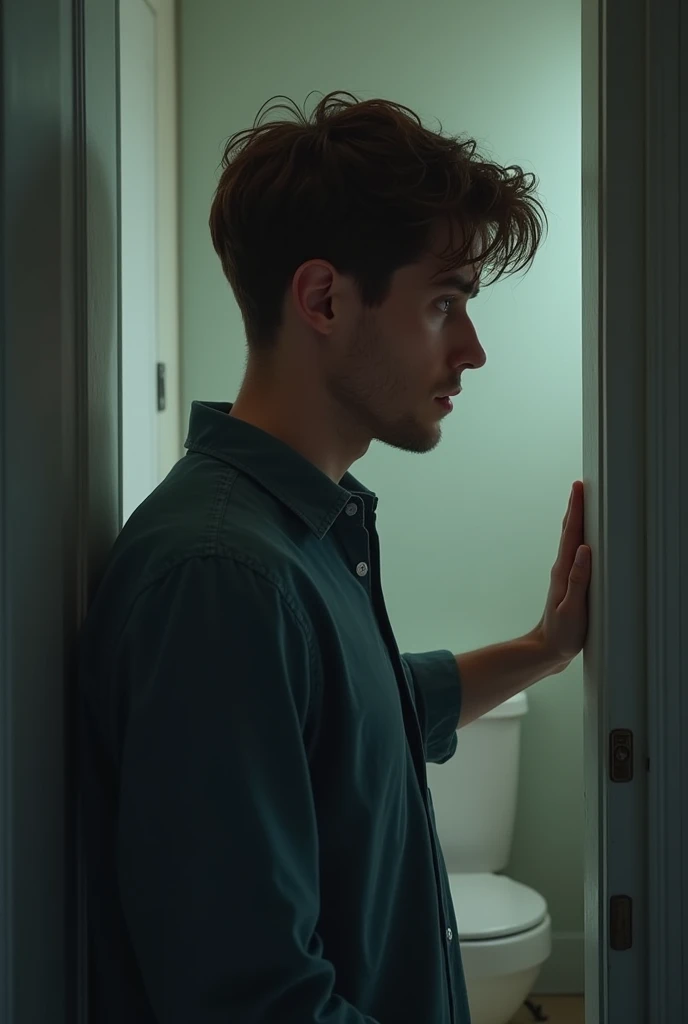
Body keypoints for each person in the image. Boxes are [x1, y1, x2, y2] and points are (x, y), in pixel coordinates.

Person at [78, 91, 591, 1024]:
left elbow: (365, 713)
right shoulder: (224, 578)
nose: (472, 350)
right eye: (445, 305)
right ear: (322, 299)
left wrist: (546, 646)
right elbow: (255, 1002)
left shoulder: (299, 537)